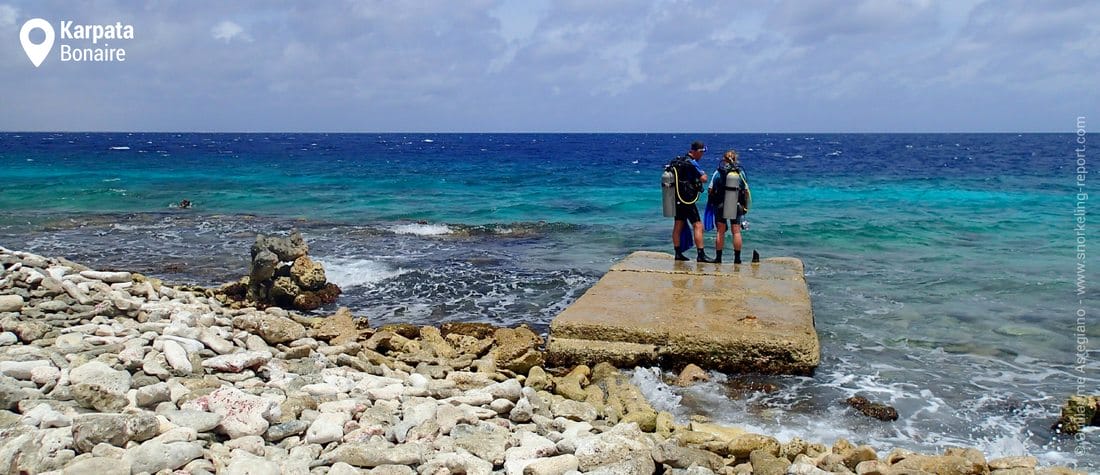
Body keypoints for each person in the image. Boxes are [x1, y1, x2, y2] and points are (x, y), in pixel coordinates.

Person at [670, 141, 716, 262]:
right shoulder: (692, 162)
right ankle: (701, 254)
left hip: (677, 198)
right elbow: (704, 179)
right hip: (687, 199)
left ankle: (677, 253)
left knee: (678, 224)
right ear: (696, 151)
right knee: (698, 225)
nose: (702, 155)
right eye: (701, 152)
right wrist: (703, 174)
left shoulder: (679, 162)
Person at [709, 150, 749, 263]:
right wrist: (745, 206)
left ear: (723, 159)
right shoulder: (740, 173)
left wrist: (712, 201)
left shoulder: (718, 172)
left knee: (720, 232)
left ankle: (718, 258)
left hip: (720, 205)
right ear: (735, 159)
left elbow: (710, 189)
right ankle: (737, 259)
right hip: (736, 205)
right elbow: (746, 191)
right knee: (736, 232)